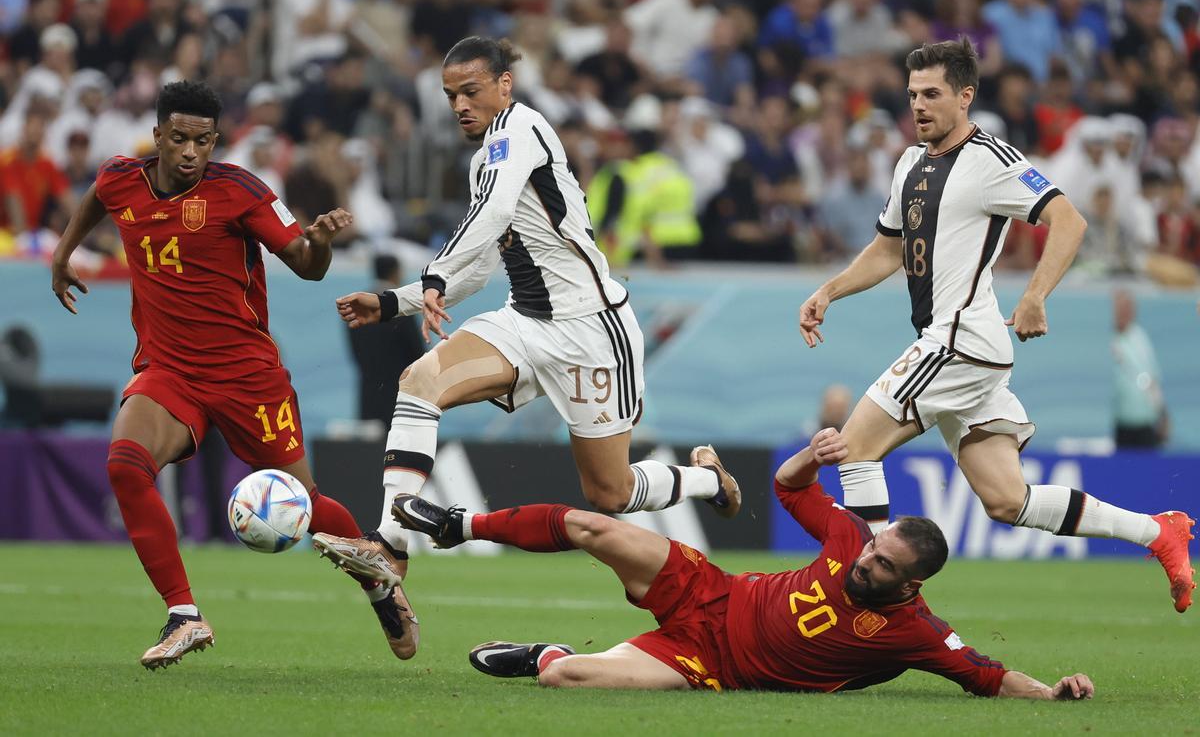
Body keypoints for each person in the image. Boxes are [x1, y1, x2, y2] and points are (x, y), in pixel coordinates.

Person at [312, 37, 741, 651]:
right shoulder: (487, 154)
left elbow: (485, 220)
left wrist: (430, 277)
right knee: (418, 383)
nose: (459, 105)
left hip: (592, 331)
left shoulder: (524, 130)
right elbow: (484, 260)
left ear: (505, 85)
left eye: (471, 91)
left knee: (609, 494)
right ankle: (391, 548)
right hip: (524, 321)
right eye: (450, 95)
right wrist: (396, 301)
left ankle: (706, 480)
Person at [796, 38, 1195, 613]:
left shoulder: (992, 161)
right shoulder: (910, 162)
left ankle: (873, 599)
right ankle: (1158, 533)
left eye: (932, 94)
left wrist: (1034, 296)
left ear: (965, 96)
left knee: (855, 448)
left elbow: (1069, 220)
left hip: (958, 341)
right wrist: (829, 290)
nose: (919, 105)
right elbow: (887, 250)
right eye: (912, 95)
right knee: (1007, 501)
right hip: (960, 349)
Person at [49, 81, 417, 670]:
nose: (190, 151)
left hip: (247, 376)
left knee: (306, 502)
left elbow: (305, 264)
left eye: (203, 140)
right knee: (124, 463)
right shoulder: (122, 177)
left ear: (216, 141)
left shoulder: (240, 191)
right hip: (169, 372)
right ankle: (184, 615)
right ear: (158, 137)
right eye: (179, 139)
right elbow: (99, 195)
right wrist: (63, 254)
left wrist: (318, 242)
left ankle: (379, 585)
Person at [390, 430, 1094, 700]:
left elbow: (988, 674)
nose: (866, 561)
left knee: (566, 677)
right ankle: (458, 523)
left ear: (910, 585)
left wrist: (1054, 693)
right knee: (593, 524)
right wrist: (809, 457)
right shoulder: (852, 540)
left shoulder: (914, 631)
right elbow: (791, 488)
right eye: (873, 549)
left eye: (883, 567)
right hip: (711, 587)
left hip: (708, 661)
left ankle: (547, 650)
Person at [346, 254, 424, 431]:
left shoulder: (357, 308)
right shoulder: (401, 311)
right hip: (400, 396)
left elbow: (356, 353)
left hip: (368, 394)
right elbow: (417, 355)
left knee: (370, 452)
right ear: (395, 273)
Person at [1112, 290, 1167, 449]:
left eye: (1128, 308)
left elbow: (1151, 378)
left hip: (1144, 423)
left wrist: (1162, 414)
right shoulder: (1109, 337)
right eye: (1120, 308)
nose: (1124, 313)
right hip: (1119, 423)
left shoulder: (1139, 338)